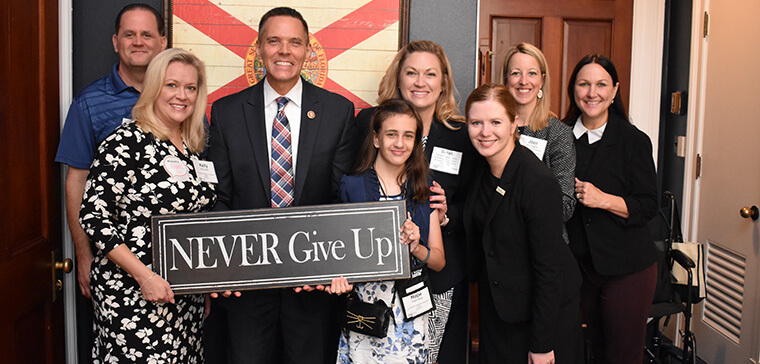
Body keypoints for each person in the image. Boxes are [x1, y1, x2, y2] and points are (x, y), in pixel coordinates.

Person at [204, 6, 359, 364]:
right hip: (245, 284)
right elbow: (221, 197)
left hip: (312, 283)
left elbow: (340, 197)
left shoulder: (338, 111)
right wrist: (221, 267)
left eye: (294, 43)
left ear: (308, 50)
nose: (284, 51)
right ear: (259, 48)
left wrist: (331, 263)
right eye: (274, 41)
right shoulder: (226, 112)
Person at [79, 48, 215, 362]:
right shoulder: (126, 141)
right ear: (154, 87)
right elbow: (93, 216)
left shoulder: (193, 150)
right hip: (132, 296)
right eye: (171, 85)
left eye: (190, 88)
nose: (181, 95)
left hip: (182, 301)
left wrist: (204, 285)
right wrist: (144, 276)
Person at [55, 3, 166, 359]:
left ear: (162, 42)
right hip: (116, 267)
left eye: (147, 34)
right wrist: (84, 256)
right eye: (130, 34)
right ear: (116, 42)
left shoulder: (179, 100)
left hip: (172, 267)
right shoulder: (89, 103)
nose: (138, 42)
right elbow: (77, 183)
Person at [355, 40, 476, 364]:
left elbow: (478, 205)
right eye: (412, 73)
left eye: (430, 74)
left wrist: (448, 215)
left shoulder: (462, 136)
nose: (420, 82)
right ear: (398, 78)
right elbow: (347, 189)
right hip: (375, 278)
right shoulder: (368, 124)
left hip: (439, 277)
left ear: (443, 83)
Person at [463, 84, 583, 364]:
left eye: (495, 122)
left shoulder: (536, 181)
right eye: (476, 122)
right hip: (500, 306)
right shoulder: (483, 166)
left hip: (542, 315)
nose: (485, 132)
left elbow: (549, 269)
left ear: (514, 123)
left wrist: (542, 345)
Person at [325, 98, 445, 363]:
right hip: (365, 311)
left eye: (408, 136)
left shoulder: (424, 187)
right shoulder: (352, 186)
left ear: (416, 142)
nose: (400, 143)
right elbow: (339, 254)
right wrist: (339, 280)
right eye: (391, 134)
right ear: (377, 138)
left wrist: (416, 247)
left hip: (411, 315)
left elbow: (438, 260)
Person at [562, 54, 658, 364]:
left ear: (615, 91)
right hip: (580, 268)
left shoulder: (633, 141)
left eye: (601, 84)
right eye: (584, 84)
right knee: (594, 350)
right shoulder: (559, 137)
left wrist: (603, 199)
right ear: (572, 89)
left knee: (622, 356)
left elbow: (648, 206)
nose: (592, 93)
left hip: (628, 268)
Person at [500, 42, 576, 232]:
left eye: (532, 73)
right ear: (505, 80)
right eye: (516, 73)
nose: (523, 81)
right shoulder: (493, 128)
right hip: (497, 241)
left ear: (542, 80)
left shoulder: (559, 134)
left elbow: (565, 207)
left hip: (541, 244)